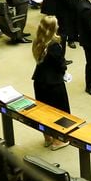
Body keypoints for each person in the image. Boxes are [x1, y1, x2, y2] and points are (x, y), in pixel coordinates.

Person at [31, 16, 70, 150]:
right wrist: (65, 69)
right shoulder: (54, 45)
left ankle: (47, 137)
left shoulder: (38, 41)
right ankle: (58, 141)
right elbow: (60, 65)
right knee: (59, 111)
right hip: (53, 83)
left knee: (44, 110)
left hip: (39, 80)